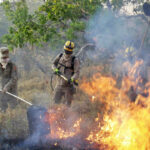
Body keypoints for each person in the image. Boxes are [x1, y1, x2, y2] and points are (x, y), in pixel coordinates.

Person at [52, 41, 80, 106]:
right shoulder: (60, 56)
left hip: (68, 87)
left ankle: (66, 116)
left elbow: (77, 73)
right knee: (55, 104)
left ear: (72, 51)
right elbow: (53, 64)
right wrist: (55, 69)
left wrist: (72, 79)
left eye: (69, 50)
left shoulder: (74, 60)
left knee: (67, 107)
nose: (67, 52)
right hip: (58, 85)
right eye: (67, 49)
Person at [0, 47, 18, 112]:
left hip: (11, 91)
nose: (5, 59)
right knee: (2, 109)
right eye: (3, 58)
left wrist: (6, 87)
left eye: (6, 57)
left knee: (13, 110)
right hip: (1, 92)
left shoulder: (13, 66)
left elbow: (14, 79)